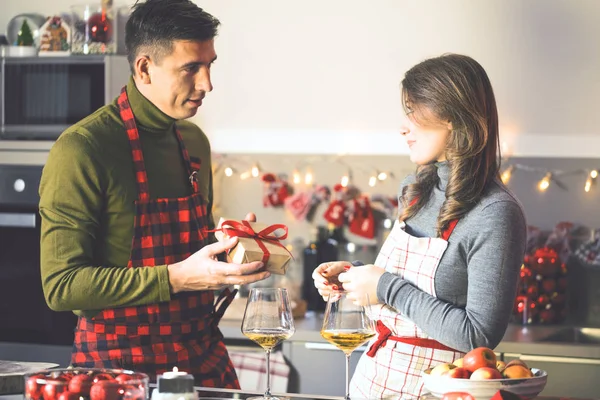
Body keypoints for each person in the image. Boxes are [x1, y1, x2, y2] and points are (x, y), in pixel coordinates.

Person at [38, 0, 270, 388]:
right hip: (116, 365)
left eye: (210, 64)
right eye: (191, 68)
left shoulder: (194, 140)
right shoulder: (83, 149)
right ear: (145, 68)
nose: (207, 83)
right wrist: (176, 277)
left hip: (200, 353)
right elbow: (62, 286)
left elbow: (190, 254)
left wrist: (229, 247)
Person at [313, 54, 526, 399]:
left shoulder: (496, 213)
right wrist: (354, 275)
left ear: (455, 119)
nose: (403, 127)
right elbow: (399, 285)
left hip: (438, 390)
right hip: (372, 383)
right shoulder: (415, 189)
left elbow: (479, 335)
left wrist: (383, 286)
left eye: (414, 112)